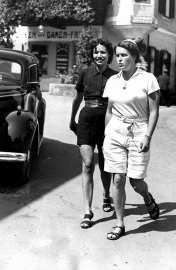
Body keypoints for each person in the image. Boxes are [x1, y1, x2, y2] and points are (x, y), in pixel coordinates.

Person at [102, 38, 160, 240]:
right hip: (116, 131)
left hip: (139, 131)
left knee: (136, 182)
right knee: (118, 178)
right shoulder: (112, 81)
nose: (119, 59)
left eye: (124, 55)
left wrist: (148, 136)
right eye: (117, 55)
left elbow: (154, 111)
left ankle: (147, 197)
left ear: (134, 57)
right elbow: (109, 110)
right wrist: (106, 133)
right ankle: (119, 224)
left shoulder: (148, 79)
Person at [69, 38, 117, 229]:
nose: (99, 55)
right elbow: (78, 97)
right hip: (87, 119)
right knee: (88, 164)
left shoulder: (115, 76)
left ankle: (106, 195)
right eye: (96, 52)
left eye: (103, 52)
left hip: (107, 121)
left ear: (109, 55)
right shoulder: (85, 73)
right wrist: (72, 119)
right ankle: (88, 210)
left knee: (105, 163)